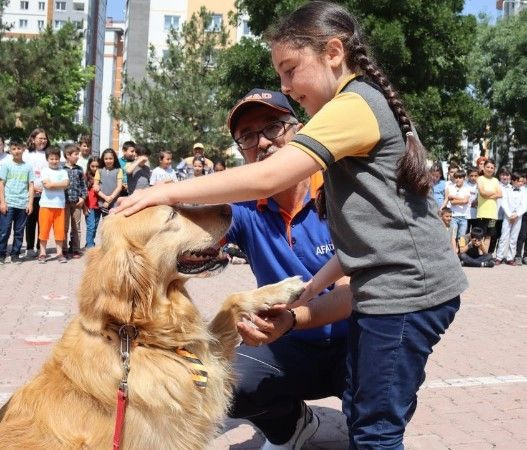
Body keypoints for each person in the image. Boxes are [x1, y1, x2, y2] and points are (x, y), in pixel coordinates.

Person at [114, 3, 467, 448]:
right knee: (369, 421)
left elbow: (269, 175)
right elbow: (361, 246)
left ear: (333, 51)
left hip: (402, 294)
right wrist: (305, 295)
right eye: (247, 137)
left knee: (376, 431)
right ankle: (303, 425)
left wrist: (164, 191)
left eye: (290, 69)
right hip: (394, 293)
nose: (286, 85)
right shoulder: (352, 130)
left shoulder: (352, 105)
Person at [224, 89, 349, 449]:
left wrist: (292, 319)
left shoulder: (340, 190)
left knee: (390, 384)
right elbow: (196, 237)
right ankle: (291, 429)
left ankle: (371, 426)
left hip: (354, 339)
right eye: (247, 136)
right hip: (287, 343)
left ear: (300, 131)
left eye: (273, 127)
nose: (261, 142)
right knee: (225, 383)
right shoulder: (243, 207)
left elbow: (352, 289)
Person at [0, 140, 34, 264]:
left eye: (19, 148)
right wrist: (2, 202)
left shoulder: (28, 167)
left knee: (19, 232)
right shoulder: (6, 166)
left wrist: (30, 203)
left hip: (22, 204)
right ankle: (1, 254)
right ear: (10, 150)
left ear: (23, 149)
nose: (16, 151)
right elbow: (1, 184)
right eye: (14, 149)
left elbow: (31, 185)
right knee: (4, 231)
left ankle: (15, 254)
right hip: (9, 203)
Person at [38, 147, 69, 263]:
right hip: (46, 205)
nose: (54, 161)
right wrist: (59, 185)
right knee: (44, 230)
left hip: (60, 205)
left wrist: (53, 184)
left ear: (59, 159)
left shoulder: (63, 171)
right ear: (47, 159)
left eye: (56, 158)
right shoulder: (45, 170)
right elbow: (47, 185)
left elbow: (66, 184)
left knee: (60, 231)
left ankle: (59, 253)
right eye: (52, 159)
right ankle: (42, 253)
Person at [23, 128, 49, 257]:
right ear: (33, 139)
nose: (43, 141)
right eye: (40, 138)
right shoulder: (26, 154)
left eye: (45, 138)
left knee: (42, 221)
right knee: (30, 221)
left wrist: (45, 187)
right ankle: (29, 247)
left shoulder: (48, 153)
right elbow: (24, 173)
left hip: (45, 194)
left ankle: (40, 247)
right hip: (30, 194)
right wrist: (33, 188)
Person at [495, 173, 527, 265]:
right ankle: (499, 257)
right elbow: (504, 203)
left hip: (518, 217)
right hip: (507, 216)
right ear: (513, 181)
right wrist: (509, 214)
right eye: (519, 181)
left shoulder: (524, 191)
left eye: (522, 181)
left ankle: (510, 258)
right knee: (504, 236)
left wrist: (516, 214)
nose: (521, 183)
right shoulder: (507, 190)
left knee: (514, 237)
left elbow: (524, 205)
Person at [62, 144, 87, 258]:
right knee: (64, 227)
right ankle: (63, 248)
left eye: (78, 154)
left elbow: (84, 186)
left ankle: (76, 249)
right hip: (64, 203)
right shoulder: (61, 169)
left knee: (76, 227)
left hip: (77, 203)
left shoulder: (79, 169)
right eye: (76, 154)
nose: (78, 156)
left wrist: (83, 197)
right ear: (68, 155)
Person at [476, 159, 502, 253]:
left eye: (492, 168)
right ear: (483, 168)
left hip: (492, 214)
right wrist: (493, 192)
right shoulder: (480, 179)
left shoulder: (495, 180)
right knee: (481, 235)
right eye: (488, 167)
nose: (490, 169)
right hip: (482, 213)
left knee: (489, 235)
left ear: (494, 169)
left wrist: (488, 194)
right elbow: (482, 193)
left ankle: (485, 254)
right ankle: (480, 254)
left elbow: (500, 194)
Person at [442, 170, 470, 242]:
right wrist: (441, 209)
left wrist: (454, 197)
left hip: (464, 216)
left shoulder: (467, 188)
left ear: (464, 178)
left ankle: (459, 251)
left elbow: (466, 201)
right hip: (453, 216)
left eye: (460, 178)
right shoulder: (450, 188)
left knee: (461, 237)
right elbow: (450, 201)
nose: (458, 179)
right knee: (453, 236)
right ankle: (454, 251)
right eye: (456, 178)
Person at [94, 148, 123, 216]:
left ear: (114, 159)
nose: (108, 161)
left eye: (110, 158)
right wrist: (106, 198)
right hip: (103, 202)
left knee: (114, 222)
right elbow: (95, 187)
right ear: (103, 159)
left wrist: (110, 199)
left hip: (115, 202)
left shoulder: (119, 170)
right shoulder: (99, 171)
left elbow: (119, 187)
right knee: (105, 222)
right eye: (106, 159)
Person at [84, 157, 101, 248]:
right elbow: (83, 192)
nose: (95, 168)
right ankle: (90, 246)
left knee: (95, 227)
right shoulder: (86, 177)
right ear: (89, 166)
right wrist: (84, 207)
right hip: (89, 206)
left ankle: (90, 242)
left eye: (97, 166)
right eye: (92, 166)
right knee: (91, 226)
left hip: (99, 205)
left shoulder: (102, 176)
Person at [465, 167, 479, 232]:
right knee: (465, 232)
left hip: (476, 215)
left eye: (476, 176)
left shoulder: (480, 185)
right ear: (468, 176)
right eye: (471, 176)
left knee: (475, 234)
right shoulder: (464, 185)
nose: (473, 178)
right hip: (466, 214)